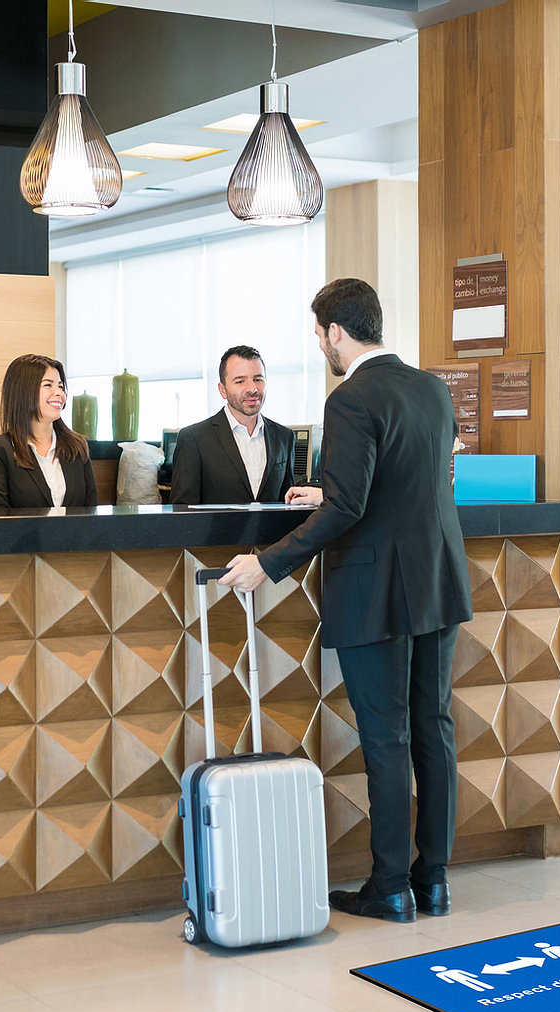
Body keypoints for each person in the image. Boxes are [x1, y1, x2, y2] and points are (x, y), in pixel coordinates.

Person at [218, 278, 471, 924]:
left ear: (336, 332)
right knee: (433, 732)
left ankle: (390, 887)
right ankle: (432, 881)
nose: (322, 345)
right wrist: (327, 497)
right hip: (437, 583)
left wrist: (267, 563)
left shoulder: (352, 398)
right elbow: (405, 485)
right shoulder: (432, 390)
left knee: (386, 740)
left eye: (319, 334)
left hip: (376, 591)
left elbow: (353, 507)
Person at [169, 345, 297, 506]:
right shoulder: (194, 439)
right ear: (223, 390)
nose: (252, 389)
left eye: (258, 379)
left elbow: (286, 506)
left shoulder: (285, 437)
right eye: (240, 381)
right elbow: (182, 512)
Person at [0, 354, 99, 509]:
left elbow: (92, 513)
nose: (59, 393)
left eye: (60, 386)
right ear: (23, 392)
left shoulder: (77, 447)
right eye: (48, 385)